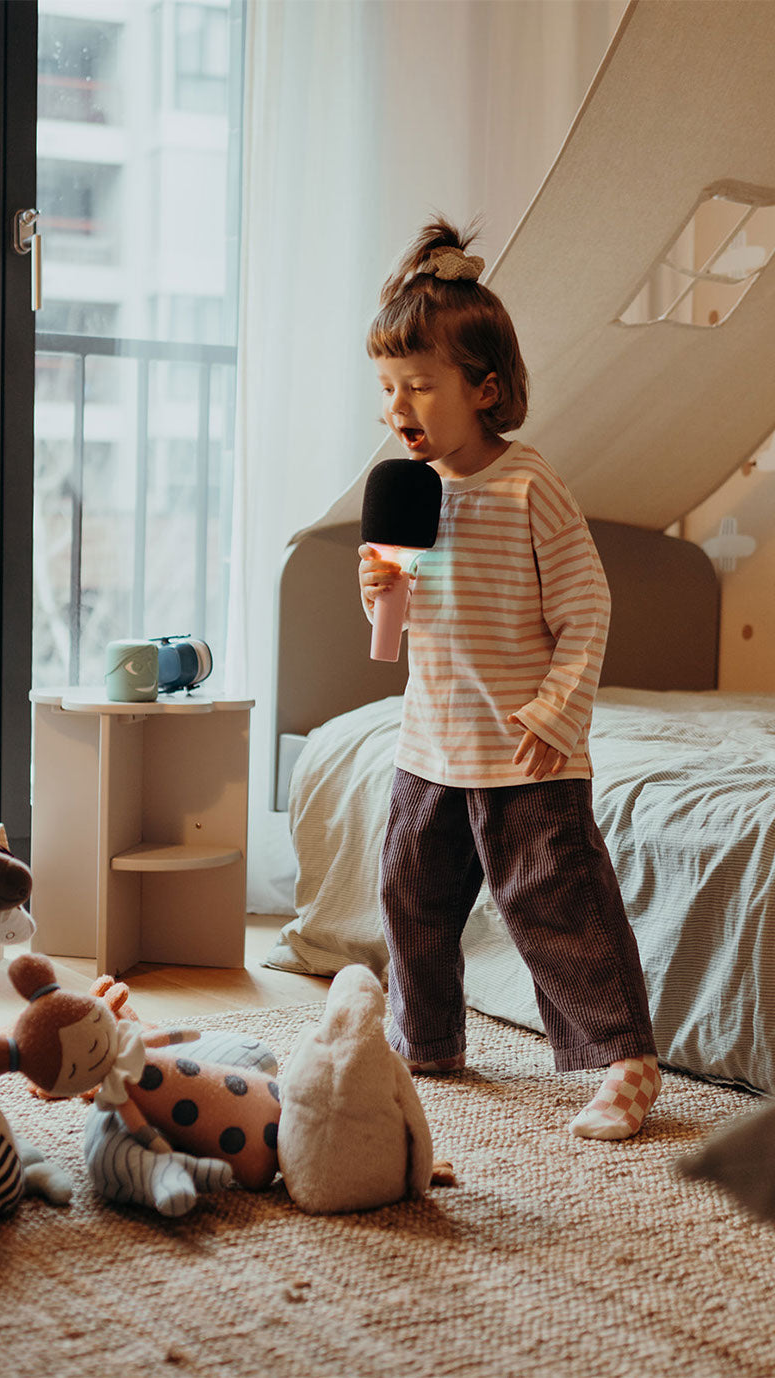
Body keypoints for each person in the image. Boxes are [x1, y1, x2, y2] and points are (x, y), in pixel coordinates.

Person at [357, 217, 660, 1140]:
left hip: (527, 749)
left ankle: (624, 1061)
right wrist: (381, 594)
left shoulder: (531, 488)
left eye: (417, 386)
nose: (396, 406)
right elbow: (390, 639)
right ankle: (429, 1044)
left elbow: (587, 610)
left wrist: (559, 711)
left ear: (484, 389)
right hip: (430, 744)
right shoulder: (405, 493)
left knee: (554, 900)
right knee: (410, 892)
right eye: (387, 388)